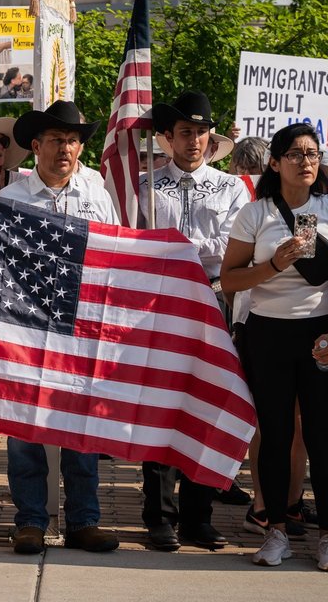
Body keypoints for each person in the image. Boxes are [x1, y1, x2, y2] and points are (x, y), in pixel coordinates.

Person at [0, 100, 120, 555]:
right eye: (55, 140)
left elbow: (115, 258)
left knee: (81, 428)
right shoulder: (10, 199)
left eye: (72, 140)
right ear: (36, 146)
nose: (65, 148)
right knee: (25, 428)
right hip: (26, 329)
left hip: (83, 327)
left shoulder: (97, 196)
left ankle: (84, 520)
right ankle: (29, 521)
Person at [139, 91, 250, 551]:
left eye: (201, 132)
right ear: (168, 137)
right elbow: (136, 238)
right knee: (160, 404)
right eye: (186, 132)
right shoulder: (144, 185)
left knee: (206, 401)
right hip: (160, 302)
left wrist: (172, 244)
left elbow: (230, 246)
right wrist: (181, 247)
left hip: (212, 298)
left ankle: (197, 516)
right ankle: (159, 516)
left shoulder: (230, 187)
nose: (194, 140)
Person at [221, 123, 328, 570]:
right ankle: (276, 531)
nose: (306, 162)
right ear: (276, 162)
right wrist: (273, 265)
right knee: (276, 435)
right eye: (296, 154)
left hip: (321, 336)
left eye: (312, 153)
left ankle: (326, 537)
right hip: (268, 335)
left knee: (322, 436)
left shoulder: (327, 207)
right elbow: (230, 280)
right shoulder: (255, 214)